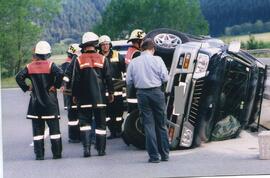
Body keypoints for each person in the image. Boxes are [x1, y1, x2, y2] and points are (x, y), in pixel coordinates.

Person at [65, 32, 114, 157]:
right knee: (101, 125)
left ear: (84, 46)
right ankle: (101, 150)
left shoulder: (79, 59)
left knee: (85, 124)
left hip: (83, 98)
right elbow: (108, 78)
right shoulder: (103, 59)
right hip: (100, 98)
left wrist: (74, 95)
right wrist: (111, 93)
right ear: (95, 44)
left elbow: (75, 80)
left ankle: (86, 149)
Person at [15, 41, 63, 160]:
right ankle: (57, 154)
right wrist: (55, 86)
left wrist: (27, 88)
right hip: (50, 105)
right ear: (47, 53)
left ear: (36, 53)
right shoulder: (51, 65)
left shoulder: (30, 66)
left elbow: (18, 77)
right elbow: (61, 74)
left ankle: (39, 155)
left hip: (35, 105)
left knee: (37, 133)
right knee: (55, 131)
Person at [126, 38, 170, 163]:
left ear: (141, 49)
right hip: (156, 92)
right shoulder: (158, 60)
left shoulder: (134, 62)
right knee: (161, 125)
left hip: (142, 94)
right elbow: (165, 78)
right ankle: (165, 154)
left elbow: (128, 81)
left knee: (148, 125)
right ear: (153, 49)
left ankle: (154, 157)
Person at [99, 35, 126, 139]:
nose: (105, 46)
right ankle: (112, 131)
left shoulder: (117, 55)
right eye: (103, 45)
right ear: (100, 46)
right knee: (107, 113)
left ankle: (119, 130)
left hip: (117, 89)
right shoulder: (98, 57)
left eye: (107, 44)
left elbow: (125, 69)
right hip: (103, 88)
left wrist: (124, 83)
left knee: (118, 112)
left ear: (110, 45)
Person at [61, 43, 81, 143]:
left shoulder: (65, 64)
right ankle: (79, 135)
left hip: (69, 93)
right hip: (76, 92)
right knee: (78, 115)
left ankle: (73, 136)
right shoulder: (78, 61)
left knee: (73, 117)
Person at [125, 29, 146, 114]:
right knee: (138, 115)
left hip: (130, 89)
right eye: (144, 41)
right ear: (139, 41)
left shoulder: (130, 51)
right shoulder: (137, 54)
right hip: (137, 90)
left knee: (132, 116)